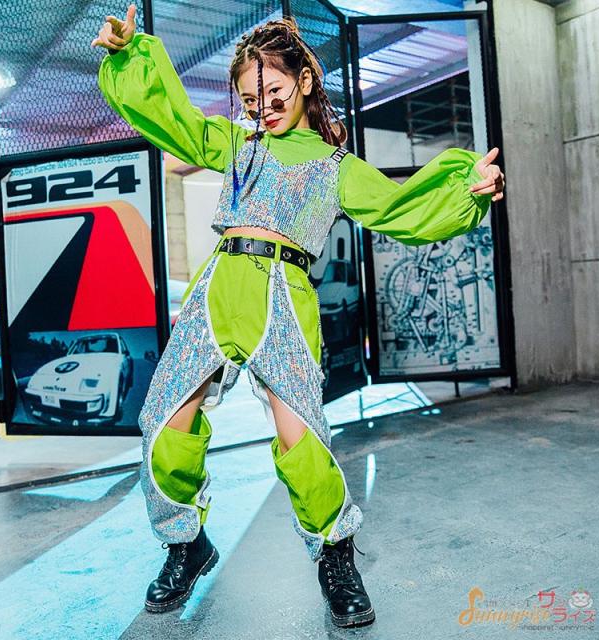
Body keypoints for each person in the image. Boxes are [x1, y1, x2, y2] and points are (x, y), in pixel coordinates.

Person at [92, 4, 504, 628]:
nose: (262, 107)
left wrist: (463, 188)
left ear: (305, 80)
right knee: (163, 423)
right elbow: (175, 118)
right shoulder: (237, 144)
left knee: (302, 439)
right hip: (217, 288)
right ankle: (186, 544)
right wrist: (129, 57)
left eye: (274, 92)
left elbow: (401, 207)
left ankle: (336, 558)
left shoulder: (337, 167)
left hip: (284, 296)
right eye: (249, 99)